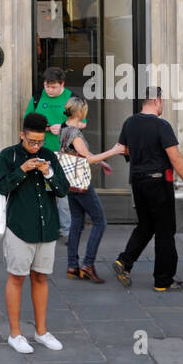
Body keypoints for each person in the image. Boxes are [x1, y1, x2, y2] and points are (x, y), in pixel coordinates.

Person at [0, 111, 70, 354]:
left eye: (40, 142)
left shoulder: (49, 155)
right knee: (17, 277)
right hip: (19, 227)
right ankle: (15, 334)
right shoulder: (8, 155)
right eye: (31, 142)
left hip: (46, 226)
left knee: (41, 277)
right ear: (22, 135)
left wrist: (48, 173)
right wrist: (22, 169)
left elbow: (63, 189)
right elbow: (2, 186)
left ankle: (41, 332)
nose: (36, 147)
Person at [113, 86, 183, 292]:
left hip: (138, 182)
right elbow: (175, 156)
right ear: (157, 101)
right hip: (158, 181)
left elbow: (124, 149)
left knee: (146, 225)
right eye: (163, 102)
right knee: (165, 231)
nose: (163, 106)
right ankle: (163, 280)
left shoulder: (129, 122)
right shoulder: (161, 125)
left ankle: (124, 261)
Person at [59, 100, 122, 283]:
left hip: (70, 181)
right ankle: (88, 265)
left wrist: (101, 162)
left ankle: (72, 265)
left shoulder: (64, 129)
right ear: (80, 112)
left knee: (77, 222)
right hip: (81, 184)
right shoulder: (75, 134)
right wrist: (113, 151)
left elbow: (78, 154)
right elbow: (88, 159)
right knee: (100, 221)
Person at [24, 66, 73, 240]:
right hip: (41, 151)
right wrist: (43, 128)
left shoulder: (71, 98)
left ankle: (67, 231)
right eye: (47, 86)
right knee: (41, 190)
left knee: (62, 193)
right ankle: (45, 226)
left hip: (64, 152)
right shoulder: (38, 98)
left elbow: (82, 123)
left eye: (53, 87)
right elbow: (27, 121)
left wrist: (63, 127)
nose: (49, 90)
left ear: (62, 84)